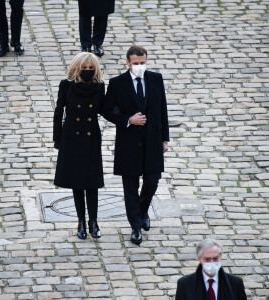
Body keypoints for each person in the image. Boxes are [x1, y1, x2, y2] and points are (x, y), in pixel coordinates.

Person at [104, 45, 169, 245]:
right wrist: (127, 119)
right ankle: (135, 227)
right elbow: (106, 109)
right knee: (130, 187)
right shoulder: (117, 83)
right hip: (129, 142)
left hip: (152, 141)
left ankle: (142, 211)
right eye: (136, 63)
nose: (140, 66)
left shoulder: (156, 79)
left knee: (152, 181)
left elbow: (162, 109)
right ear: (128, 63)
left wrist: (164, 139)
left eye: (143, 63)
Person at [53, 52, 106, 240]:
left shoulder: (99, 87)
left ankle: (94, 221)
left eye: (91, 68)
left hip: (91, 137)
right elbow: (59, 111)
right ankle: (81, 221)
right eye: (85, 68)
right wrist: (57, 139)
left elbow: (104, 109)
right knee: (77, 182)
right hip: (72, 137)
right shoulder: (66, 86)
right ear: (77, 68)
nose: (88, 71)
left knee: (92, 182)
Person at [175, 239, 247, 300]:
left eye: (215, 258)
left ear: (220, 257)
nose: (212, 262)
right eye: (207, 259)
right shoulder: (185, 284)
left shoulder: (235, 283)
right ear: (200, 259)